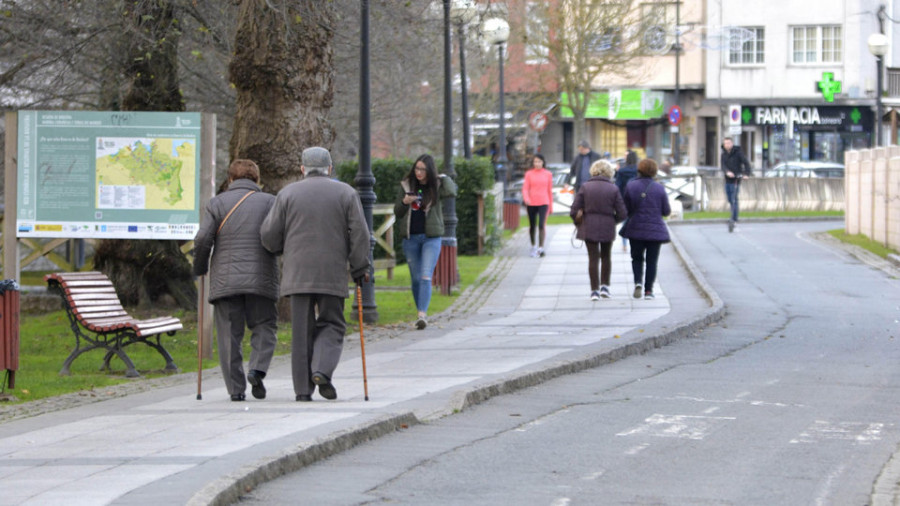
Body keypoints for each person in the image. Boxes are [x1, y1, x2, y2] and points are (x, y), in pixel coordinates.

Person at [260, 147, 371, 402]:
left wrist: (279, 248)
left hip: (297, 272)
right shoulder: (346, 193)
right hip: (331, 272)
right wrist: (359, 267)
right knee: (333, 323)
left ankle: (302, 390)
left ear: (302, 169)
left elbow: (269, 235)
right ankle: (321, 369)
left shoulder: (287, 194)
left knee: (301, 331)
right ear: (330, 168)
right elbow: (360, 234)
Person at [192, 159, 278, 402]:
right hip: (261, 277)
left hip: (225, 280)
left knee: (229, 334)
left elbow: (202, 240)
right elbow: (277, 238)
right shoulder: (271, 202)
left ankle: (236, 390)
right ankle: (257, 369)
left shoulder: (217, 203)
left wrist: (199, 268)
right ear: (257, 180)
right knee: (264, 326)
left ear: (230, 179)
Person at [394, 154, 458, 330]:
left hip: (431, 238)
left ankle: (422, 314)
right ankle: (420, 310)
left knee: (425, 275)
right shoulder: (406, 185)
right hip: (411, 238)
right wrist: (404, 201)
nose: (419, 172)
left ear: (429, 170)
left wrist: (443, 177)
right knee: (415, 279)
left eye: (423, 169)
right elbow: (397, 212)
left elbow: (452, 191)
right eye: (417, 168)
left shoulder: (436, 186)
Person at [570, 160, 627, 301]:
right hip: (607, 225)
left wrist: (579, 222)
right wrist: (613, 220)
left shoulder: (585, 187)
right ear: (609, 172)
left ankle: (594, 290)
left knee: (593, 258)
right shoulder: (613, 189)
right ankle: (605, 287)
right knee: (606, 256)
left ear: (593, 170)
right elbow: (623, 213)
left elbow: (573, 210)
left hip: (589, 226)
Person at [620, 158, 671, 301]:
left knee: (636, 258)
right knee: (651, 261)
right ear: (654, 171)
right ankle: (649, 291)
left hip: (635, 229)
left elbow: (626, 209)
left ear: (639, 169)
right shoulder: (659, 188)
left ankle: (638, 282)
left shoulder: (631, 186)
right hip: (655, 230)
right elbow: (666, 211)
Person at [522, 153, 554, 257]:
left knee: (541, 225)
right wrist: (526, 199)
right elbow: (525, 188)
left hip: (544, 202)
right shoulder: (529, 174)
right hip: (531, 202)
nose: (537, 163)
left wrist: (551, 206)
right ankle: (533, 246)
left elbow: (549, 190)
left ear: (543, 162)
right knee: (532, 225)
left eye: (539, 161)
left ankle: (541, 247)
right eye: (535, 161)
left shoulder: (548, 174)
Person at [721, 137, 752, 232]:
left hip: (736, 178)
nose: (727, 145)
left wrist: (746, 174)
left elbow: (746, 163)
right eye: (725, 143)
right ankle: (733, 215)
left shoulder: (738, 153)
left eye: (729, 143)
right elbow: (723, 166)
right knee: (730, 198)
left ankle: (734, 219)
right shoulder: (723, 155)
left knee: (734, 199)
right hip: (727, 179)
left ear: (732, 143)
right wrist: (727, 172)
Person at [615, 150, 639, 252]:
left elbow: (617, 186)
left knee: (625, 221)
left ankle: (624, 244)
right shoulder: (639, 170)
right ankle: (636, 241)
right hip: (638, 198)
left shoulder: (622, 171)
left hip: (625, 198)